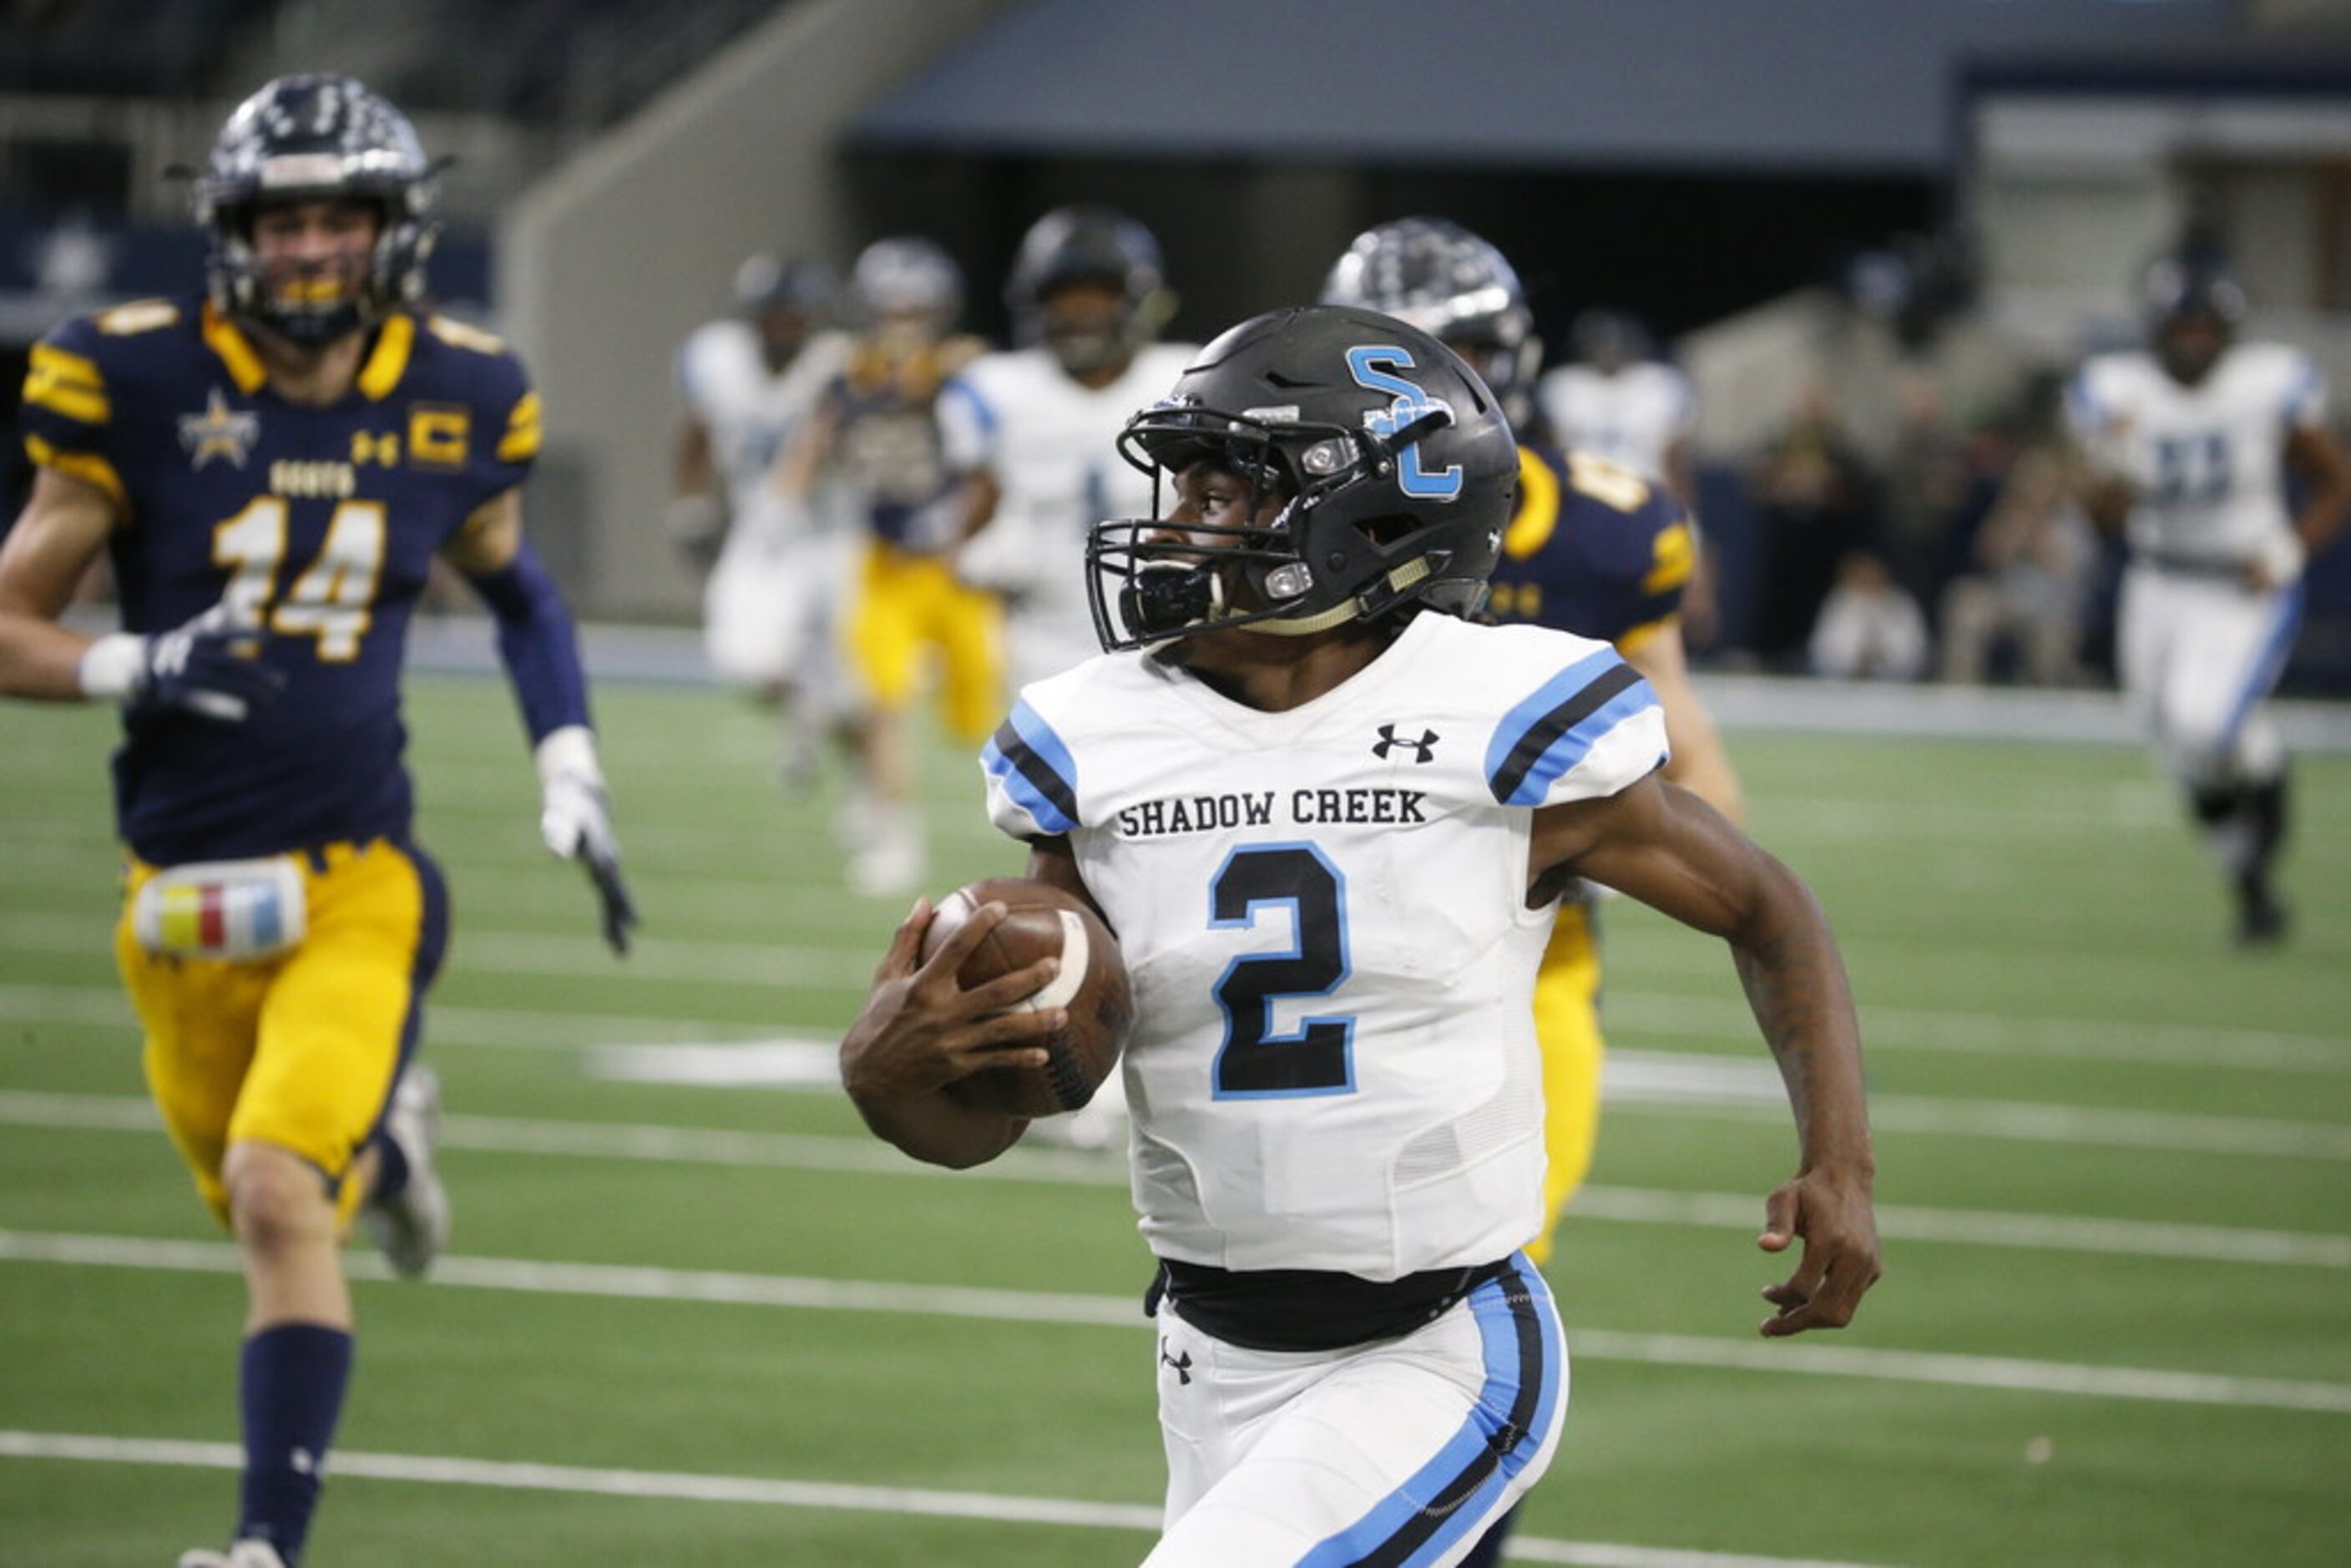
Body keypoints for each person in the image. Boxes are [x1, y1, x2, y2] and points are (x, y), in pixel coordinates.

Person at [839, 305, 1880, 1565]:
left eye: (1228, 488)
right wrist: (889, 1075)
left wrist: (1841, 1163)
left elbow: (1771, 909)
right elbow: (1005, 1101)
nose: (1177, 523)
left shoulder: (1497, 712)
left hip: (1436, 1345)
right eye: (1182, 482)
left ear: (1367, 519)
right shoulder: (1093, 736)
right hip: (1206, 1354)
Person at [0, 76, 635, 1568]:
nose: (305, 250)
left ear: (392, 232)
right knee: (270, 1203)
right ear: (231, 234)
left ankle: (263, 1544)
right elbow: (10, 618)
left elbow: (520, 586)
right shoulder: (131, 376)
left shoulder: (463, 387)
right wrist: (131, 658)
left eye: (335, 217)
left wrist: (570, 762)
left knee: (283, 1195)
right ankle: (399, 1164)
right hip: (175, 893)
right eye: (279, 219)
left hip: (361, 877)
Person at [1322, 214, 1750, 1568]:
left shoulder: (1609, 530)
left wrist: (1719, 860)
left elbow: (1675, 721)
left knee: (1475, 1303)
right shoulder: (1292, 527)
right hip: (1335, 963)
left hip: (1530, 967)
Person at [2067, 256, 2351, 945]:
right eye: (2181, 325)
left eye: (2205, 326)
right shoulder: (2116, 391)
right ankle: (2253, 889)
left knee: (2204, 724)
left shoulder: (2267, 385)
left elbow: (2335, 480)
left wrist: (2289, 548)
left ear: (2229, 331)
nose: (2193, 340)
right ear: (2155, 330)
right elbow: (2101, 515)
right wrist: (2112, 464)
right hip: (2157, 580)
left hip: (2238, 582)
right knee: (2172, 746)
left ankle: (2264, 765)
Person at [776, 235, 1000, 896]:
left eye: (915, 315)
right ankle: (895, 833)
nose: (902, 331)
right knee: (881, 704)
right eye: (890, 315)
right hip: (885, 568)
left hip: (957, 571)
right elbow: (809, 447)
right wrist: (783, 503)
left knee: (975, 718)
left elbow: (997, 458)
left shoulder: (966, 377)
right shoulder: (845, 381)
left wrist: (971, 529)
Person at [942, 205, 1196, 691]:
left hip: (1169, 626)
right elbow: (972, 512)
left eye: (1098, 295)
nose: (1081, 312)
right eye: (1064, 296)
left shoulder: (1185, 381)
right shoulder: (998, 391)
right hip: (1039, 637)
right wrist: (972, 558)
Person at [670, 252, 854, 781]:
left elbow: (821, 438)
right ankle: (809, 711)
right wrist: (690, 504)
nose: (781, 328)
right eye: (772, 316)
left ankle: (855, 783)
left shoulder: (833, 364)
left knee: (855, 686)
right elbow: (696, 431)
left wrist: (786, 494)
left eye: (792, 317)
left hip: (829, 533)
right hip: (760, 530)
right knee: (739, 660)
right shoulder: (717, 358)